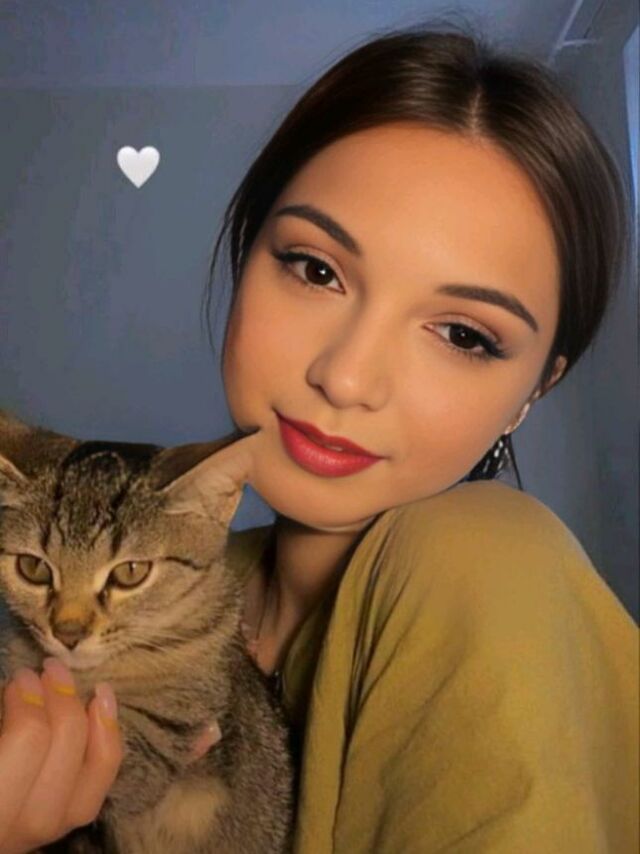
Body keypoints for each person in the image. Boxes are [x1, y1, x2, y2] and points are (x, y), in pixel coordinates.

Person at [1, 21, 637, 854]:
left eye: (463, 334)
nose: (347, 377)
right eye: (316, 269)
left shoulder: (489, 559)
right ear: (245, 252)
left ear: (532, 392)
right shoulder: (199, 567)